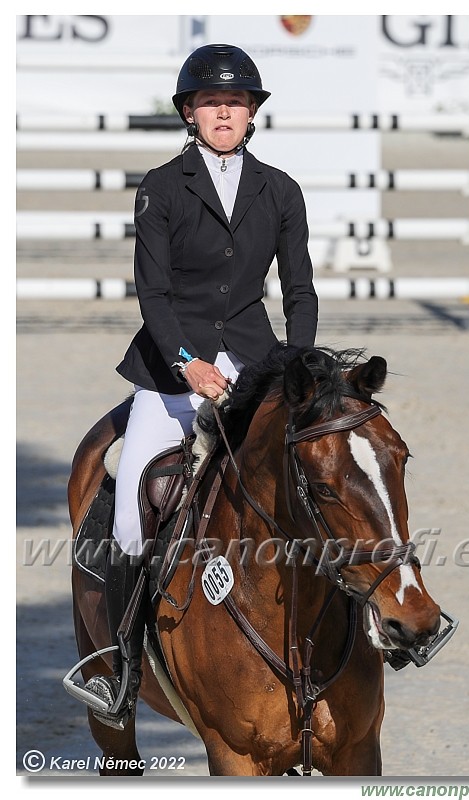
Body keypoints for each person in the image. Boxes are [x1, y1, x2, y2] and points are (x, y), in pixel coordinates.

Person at [82, 43, 318, 730]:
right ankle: (123, 669)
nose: (224, 111)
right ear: (190, 112)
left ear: (250, 115)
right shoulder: (160, 185)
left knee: (313, 487)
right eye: (212, 102)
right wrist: (186, 360)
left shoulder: (280, 190)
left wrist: (294, 366)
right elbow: (150, 292)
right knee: (131, 515)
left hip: (255, 366)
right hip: (171, 375)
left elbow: (299, 290)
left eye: (236, 102)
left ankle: (350, 632)